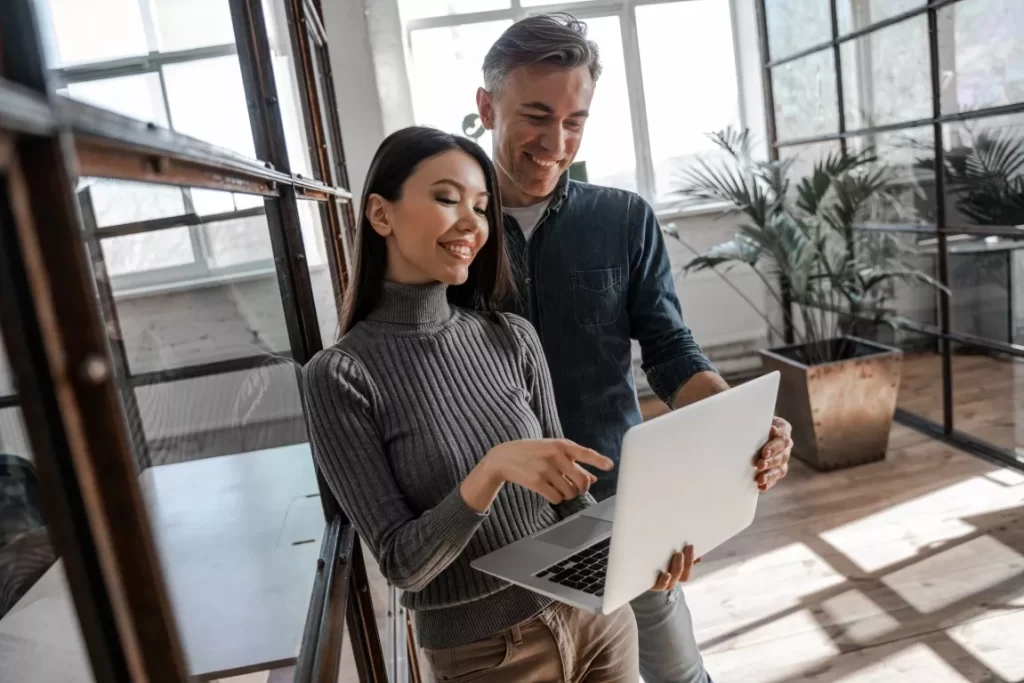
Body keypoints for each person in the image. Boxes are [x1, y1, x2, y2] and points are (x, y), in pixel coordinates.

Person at [303, 126, 694, 682]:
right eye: (446, 198)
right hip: (486, 657)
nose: (472, 223)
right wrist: (489, 473)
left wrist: (633, 558)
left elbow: (569, 500)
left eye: (482, 207)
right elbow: (403, 565)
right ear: (381, 214)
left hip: (595, 618)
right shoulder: (342, 376)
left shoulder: (511, 336)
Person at [476, 14, 795, 683]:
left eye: (575, 121)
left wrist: (741, 427)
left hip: (623, 512)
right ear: (486, 107)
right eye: (536, 116)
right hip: (497, 531)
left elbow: (670, 349)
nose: (555, 142)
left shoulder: (624, 219)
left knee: (678, 675)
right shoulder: (453, 232)